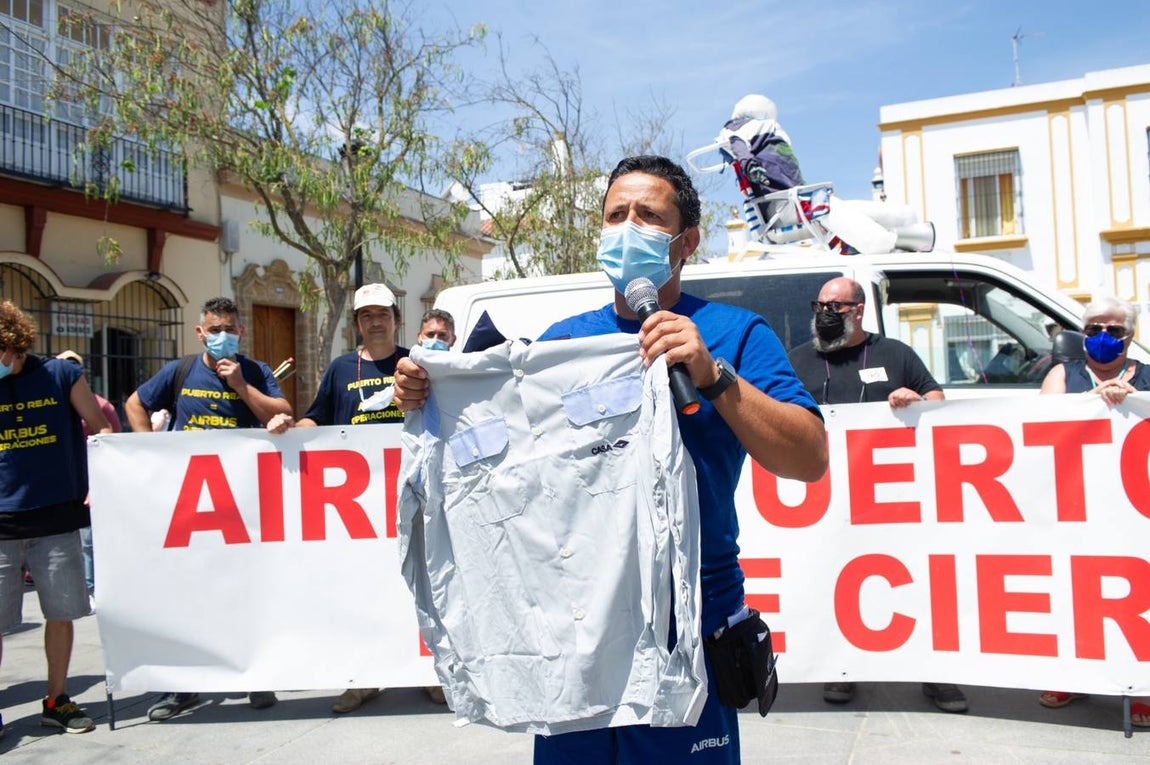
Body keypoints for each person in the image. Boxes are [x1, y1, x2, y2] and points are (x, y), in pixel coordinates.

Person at [393, 155, 828, 763]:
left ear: (687, 241)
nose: (627, 228)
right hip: (577, 632)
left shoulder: (734, 332)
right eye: (614, 215)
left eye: (648, 216)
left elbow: (809, 457)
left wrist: (713, 375)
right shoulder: (561, 344)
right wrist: (429, 394)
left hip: (690, 630)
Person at [787, 277, 968, 714]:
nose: (826, 313)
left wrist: (917, 402)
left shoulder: (895, 354)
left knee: (915, 578)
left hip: (894, 498)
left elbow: (938, 401)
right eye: (820, 305)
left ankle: (934, 673)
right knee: (836, 579)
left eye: (837, 306)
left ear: (859, 310)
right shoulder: (796, 359)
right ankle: (843, 669)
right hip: (826, 499)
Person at [266, 286, 449, 711]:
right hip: (356, 508)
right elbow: (319, 417)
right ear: (357, 323)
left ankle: (430, 675)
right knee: (364, 589)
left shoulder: (417, 362)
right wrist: (289, 427)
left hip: (414, 497)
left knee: (423, 585)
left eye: (382, 313)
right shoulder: (341, 368)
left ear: (396, 319)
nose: (375, 322)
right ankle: (365, 679)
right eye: (365, 315)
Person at [125, 296, 292, 721]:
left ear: (241, 333)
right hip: (190, 504)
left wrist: (241, 386)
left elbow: (283, 413)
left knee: (245, 591)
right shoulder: (179, 370)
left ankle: (255, 676)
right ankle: (184, 688)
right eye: (215, 330)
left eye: (231, 329)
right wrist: (151, 454)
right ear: (200, 333)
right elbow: (135, 405)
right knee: (188, 596)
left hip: (243, 502)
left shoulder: (255, 371)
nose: (223, 337)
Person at [0, 301, 113, 735]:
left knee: (60, 614)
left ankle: (56, 700)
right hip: (2, 525)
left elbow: (101, 427)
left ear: (13, 345)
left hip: (55, 521)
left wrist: (97, 479)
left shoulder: (61, 376)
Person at [1037, 296, 1149, 724]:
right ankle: (1075, 677)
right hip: (1077, 504)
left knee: (1138, 597)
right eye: (1095, 328)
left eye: (1115, 330)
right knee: (1077, 590)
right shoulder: (1063, 375)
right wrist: (1091, 403)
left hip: (1136, 509)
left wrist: (1133, 401)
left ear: (1130, 336)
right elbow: (1040, 424)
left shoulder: (1148, 377)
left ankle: (1141, 688)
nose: (1104, 336)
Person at [56, 351, 122, 604]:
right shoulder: (54, 406)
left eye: (75, 368)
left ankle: (90, 589)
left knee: (88, 540)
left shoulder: (101, 406)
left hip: (92, 479)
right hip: (65, 481)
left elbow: (112, 440)